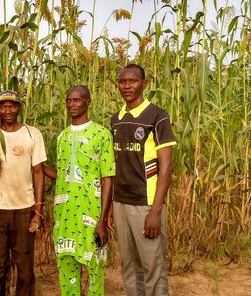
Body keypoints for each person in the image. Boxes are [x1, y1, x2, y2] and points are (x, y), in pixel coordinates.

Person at [109, 64, 176, 296]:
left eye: (133, 81)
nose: (127, 86)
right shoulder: (115, 119)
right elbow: (113, 166)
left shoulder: (157, 116)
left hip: (145, 203)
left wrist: (155, 211)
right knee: (128, 265)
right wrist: (109, 207)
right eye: (122, 81)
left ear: (144, 84)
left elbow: (166, 166)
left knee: (152, 268)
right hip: (121, 203)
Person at [0, 90, 47, 296]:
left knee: (25, 271)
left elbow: (38, 172)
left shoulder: (32, 133)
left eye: (12, 106)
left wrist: (38, 210)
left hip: (24, 210)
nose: (7, 110)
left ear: (19, 107)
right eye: (3, 106)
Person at [50, 85, 115, 295]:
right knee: (67, 274)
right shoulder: (62, 137)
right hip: (65, 218)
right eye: (68, 100)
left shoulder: (101, 135)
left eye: (77, 100)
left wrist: (102, 220)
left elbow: (107, 178)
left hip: (92, 215)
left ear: (88, 102)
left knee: (95, 270)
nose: (72, 104)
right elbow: (63, 174)